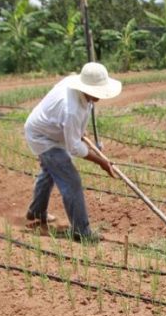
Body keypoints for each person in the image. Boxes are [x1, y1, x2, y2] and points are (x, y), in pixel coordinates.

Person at [23, 62, 121, 243]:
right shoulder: (71, 109)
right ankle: (81, 232)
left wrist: (78, 132)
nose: (100, 96)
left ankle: (36, 212)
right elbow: (74, 147)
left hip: (52, 130)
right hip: (42, 137)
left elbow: (75, 126)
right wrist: (100, 161)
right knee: (71, 180)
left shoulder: (77, 89)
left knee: (50, 171)